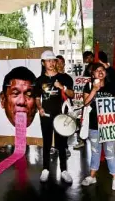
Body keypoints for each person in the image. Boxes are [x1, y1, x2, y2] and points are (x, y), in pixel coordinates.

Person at [35, 50, 74, 183]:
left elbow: (72, 94)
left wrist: (62, 87)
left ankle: (64, 170)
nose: (51, 63)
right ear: (43, 63)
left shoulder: (64, 78)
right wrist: (39, 108)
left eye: (53, 60)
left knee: (62, 144)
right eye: (48, 61)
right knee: (46, 143)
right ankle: (45, 169)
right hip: (45, 115)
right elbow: (36, 98)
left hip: (61, 116)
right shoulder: (39, 80)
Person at [81, 62, 115, 190]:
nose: (100, 71)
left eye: (102, 69)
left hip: (109, 125)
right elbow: (85, 104)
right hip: (94, 125)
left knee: (110, 152)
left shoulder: (111, 86)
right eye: (97, 70)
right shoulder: (88, 86)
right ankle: (92, 176)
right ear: (92, 74)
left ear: (105, 72)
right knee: (95, 152)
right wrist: (94, 90)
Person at [55, 55, 73, 157]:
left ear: (64, 64)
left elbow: (71, 94)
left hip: (65, 106)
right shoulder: (51, 77)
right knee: (54, 126)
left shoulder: (68, 78)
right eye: (57, 62)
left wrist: (63, 88)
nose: (59, 64)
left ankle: (65, 147)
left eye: (61, 62)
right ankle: (54, 146)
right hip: (53, 105)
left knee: (64, 127)